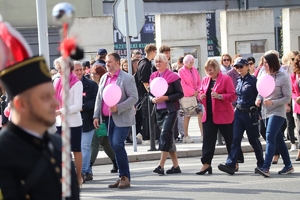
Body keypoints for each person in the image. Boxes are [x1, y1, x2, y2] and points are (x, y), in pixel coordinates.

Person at [0, 21, 79, 198]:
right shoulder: (4, 151)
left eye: (52, 95)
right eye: (44, 98)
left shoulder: (57, 145)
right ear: (21, 104)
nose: (54, 103)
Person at [93, 52, 138, 189]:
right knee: (114, 146)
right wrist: (96, 115)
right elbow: (99, 98)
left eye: (110, 62)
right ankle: (122, 176)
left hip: (122, 117)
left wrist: (118, 107)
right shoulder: (104, 78)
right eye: (106, 62)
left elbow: (134, 98)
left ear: (117, 63)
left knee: (117, 144)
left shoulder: (126, 78)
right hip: (107, 118)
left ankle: (125, 177)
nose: (107, 64)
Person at [218, 58, 264, 175]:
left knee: (253, 139)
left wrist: (258, 112)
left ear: (247, 66)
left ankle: (261, 164)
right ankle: (231, 164)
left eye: (241, 66)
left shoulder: (254, 81)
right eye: (236, 67)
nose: (238, 69)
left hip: (250, 113)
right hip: (238, 112)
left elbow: (260, 96)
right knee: (235, 138)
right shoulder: (239, 80)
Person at [255, 53, 294, 177]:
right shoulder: (263, 75)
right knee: (278, 139)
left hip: (278, 111)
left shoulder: (282, 77)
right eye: (263, 62)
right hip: (266, 111)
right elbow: (261, 90)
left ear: (272, 63)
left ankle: (266, 167)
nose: (264, 65)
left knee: (269, 136)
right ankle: (288, 165)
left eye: (266, 63)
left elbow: (287, 97)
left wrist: (273, 102)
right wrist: (258, 98)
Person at [197, 59, 236, 175]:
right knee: (208, 140)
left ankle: (234, 161)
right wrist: (201, 96)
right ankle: (206, 164)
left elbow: (233, 95)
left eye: (211, 70)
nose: (209, 72)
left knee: (230, 139)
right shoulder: (205, 80)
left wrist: (220, 96)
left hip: (223, 114)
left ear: (216, 69)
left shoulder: (226, 79)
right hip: (209, 114)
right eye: (207, 70)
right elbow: (200, 92)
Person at [150, 54, 184, 175]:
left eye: (160, 61)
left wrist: (166, 97)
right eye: (156, 61)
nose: (158, 63)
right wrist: (152, 99)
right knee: (168, 138)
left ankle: (161, 165)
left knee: (164, 134)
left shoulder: (173, 76)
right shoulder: (153, 76)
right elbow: (150, 93)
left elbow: (180, 94)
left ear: (166, 63)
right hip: (159, 111)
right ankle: (176, 166)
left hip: (171, 110)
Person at [54, 57, 84, 185]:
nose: (59, 71)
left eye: (61, 68)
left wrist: (61, 111)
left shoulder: (77, 83)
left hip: (73, 123)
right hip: (59, 123)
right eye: (58, 68)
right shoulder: (56, 81)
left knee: (76, 150)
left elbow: (78, 106)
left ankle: (78, 177)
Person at [89, 64, 118, 180]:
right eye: (92, 73)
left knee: (95, 141)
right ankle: (116, 162)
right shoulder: (94, 85)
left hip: (103, 118)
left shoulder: (102, 86)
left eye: (95, 74)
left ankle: (88, 165)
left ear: (100, 75)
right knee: (105, 143)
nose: (92, 76)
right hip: (99, 117)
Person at [73, 61, 98, 183]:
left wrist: (82, 106)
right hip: (72, 121)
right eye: (76, 70)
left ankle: (82, 171)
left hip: (87, 120)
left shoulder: (91, 85)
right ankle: (87, 170)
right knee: (77, 148)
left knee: (85, 146)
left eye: (80, 69)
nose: (78, 72)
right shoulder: (67, 85)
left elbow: (95, 101)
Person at [178, 54, 203, 143]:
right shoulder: (181, 71)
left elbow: (199, 81)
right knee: (187, 115)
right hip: (187, 96)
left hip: (196, 96)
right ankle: (186, 136)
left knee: (200, 113)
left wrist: (198, 90)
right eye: (190, 62)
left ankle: (202, 134)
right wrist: (193, 91)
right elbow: (183, 84)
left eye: (193, 62)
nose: (192, 64)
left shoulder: (194, 70)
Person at [137, 44, 157, 140]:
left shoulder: (142, 62)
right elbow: (144, 81)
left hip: (143, 94)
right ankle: (146, 136)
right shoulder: (145, 64)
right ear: (152, 51)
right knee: (147, 116)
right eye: (155, 52)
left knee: (147, 116)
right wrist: (150, 92)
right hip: (145, 95)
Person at [290, 54, 300, 161]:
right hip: (298, 106)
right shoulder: (294, 75)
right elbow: (292, 90)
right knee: (299, 130)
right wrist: (296, 98)